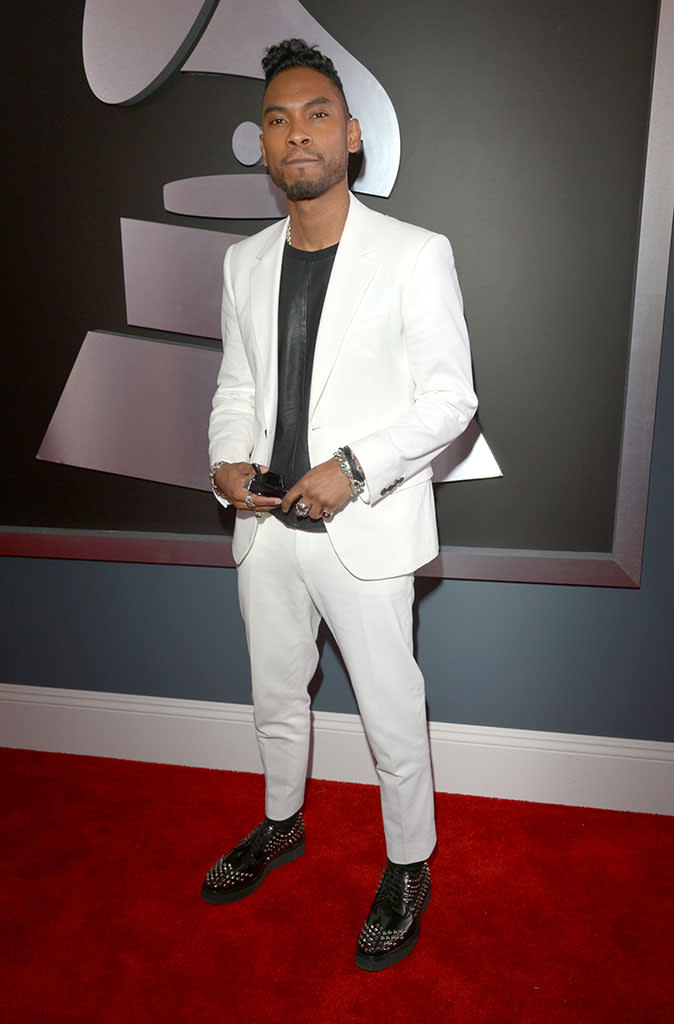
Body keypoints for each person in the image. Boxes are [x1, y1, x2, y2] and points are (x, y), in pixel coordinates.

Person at [204, 38, 477, 971]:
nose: (297, 133)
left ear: (352, 135)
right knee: (276, 694)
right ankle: (281, 824)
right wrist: (225, 460)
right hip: (263, 526)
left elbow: (452, 401)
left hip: (363, 526)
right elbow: (236, 385)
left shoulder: (415, 253)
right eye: (278, 119)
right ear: (266, 146)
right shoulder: (242, 263)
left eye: (316, 113)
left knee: (390, 707)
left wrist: (356, 468)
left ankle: (410, 863)